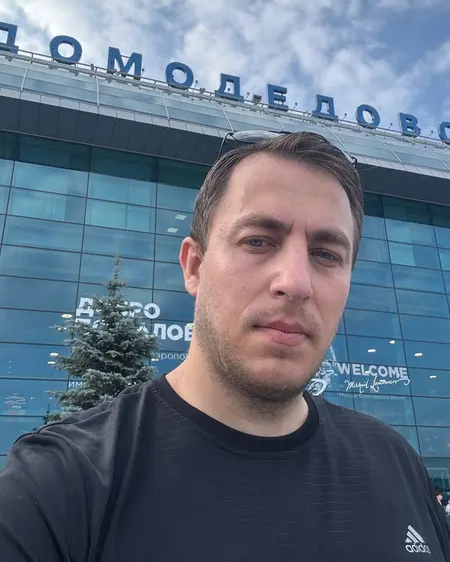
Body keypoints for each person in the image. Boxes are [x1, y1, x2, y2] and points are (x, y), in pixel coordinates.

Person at [0, 131, 449, 561]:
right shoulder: (58, 485)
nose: (296, 283)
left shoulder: (396, 464)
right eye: (258, 241)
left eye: (327, 254)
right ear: (194, 267)